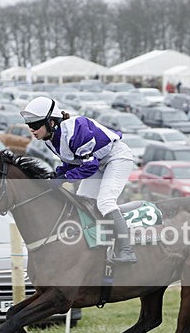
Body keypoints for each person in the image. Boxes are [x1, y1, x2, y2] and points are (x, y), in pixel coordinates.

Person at [20, 96, 138, 264]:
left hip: (116, 158)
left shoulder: (76, 129)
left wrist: (63, 179)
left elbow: (89, 166)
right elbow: (71, 163)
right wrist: (55, 176)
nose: (31, 130)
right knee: (82, 203)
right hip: (98, 163)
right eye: (29, 126)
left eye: (35, 125)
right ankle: (96, 246)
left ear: (51, 122)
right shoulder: (49, 140)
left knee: (105, 202)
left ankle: (127, 250)